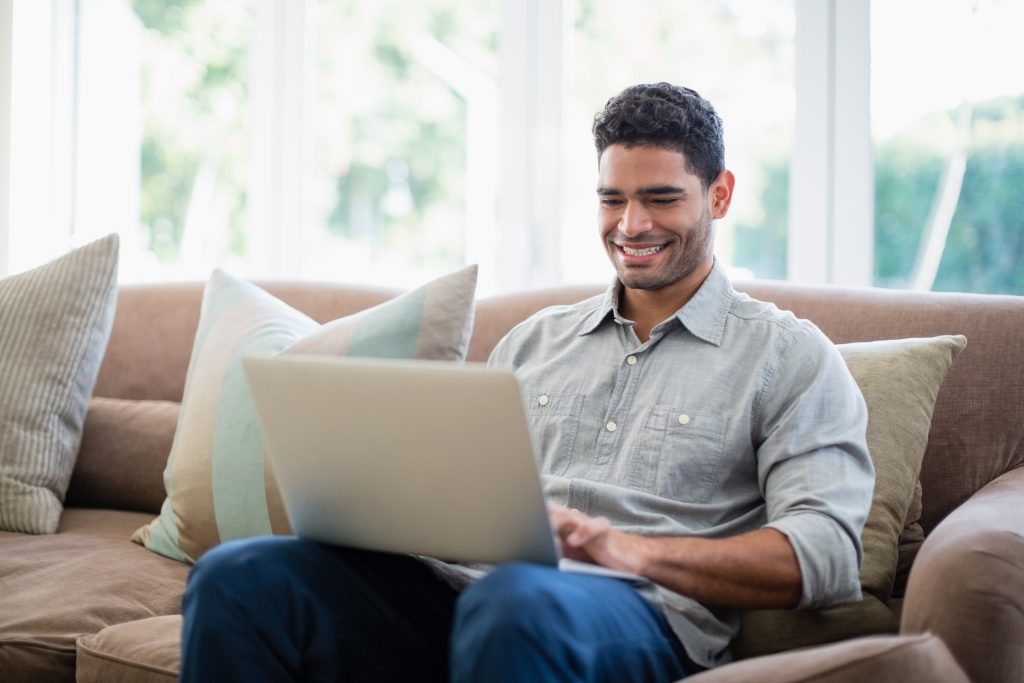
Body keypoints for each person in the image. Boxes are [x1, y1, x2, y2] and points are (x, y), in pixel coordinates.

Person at [179, 83, 874, 682]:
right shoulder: (535, 340)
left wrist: (622, 546)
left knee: (516, 604)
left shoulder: (789, 356)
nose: (632, 225)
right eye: (613, 199)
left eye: (661, 199)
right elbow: (460, 497)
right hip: (467, 595)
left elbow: (825, 551)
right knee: (238, 578)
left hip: (635, 614)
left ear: (719, 195)